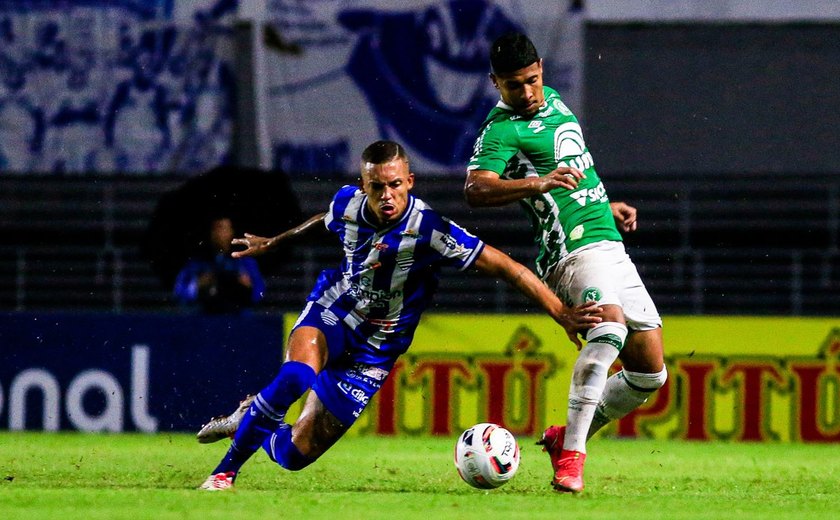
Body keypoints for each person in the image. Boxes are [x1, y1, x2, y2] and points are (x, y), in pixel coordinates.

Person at [196, 140, 603, 491]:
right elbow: (324, 220)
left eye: (395, 185)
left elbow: (505, 266)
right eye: (377, 187)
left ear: (409, 182)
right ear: (363, 186)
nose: (387, 195)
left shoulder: (430, 229)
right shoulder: (347, 205)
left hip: (377, 347)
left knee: (292, 455)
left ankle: (252, 415)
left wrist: (561, 312)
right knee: (297, 376)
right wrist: (275, 241)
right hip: (334, 311)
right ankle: (224, 474)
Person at [463, 33, 667, 493]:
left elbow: (577, 169)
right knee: (608, 328)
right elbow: (475, 190)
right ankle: (572, 460)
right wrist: (536, 185)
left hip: (607, 241)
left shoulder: (554, 102)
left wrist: (604, 204)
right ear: (495, 83)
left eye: (532, 80)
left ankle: (564, 439)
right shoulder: (501, 129)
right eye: (514, 86)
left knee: (650, 373)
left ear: (541, 69)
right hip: (569, 252)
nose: (528, 93)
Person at [173, 215, 265, 314]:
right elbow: (179, 291)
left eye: (224, 229)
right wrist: (197, 285)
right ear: (211, 233)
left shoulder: (245, 261)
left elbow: (260, 292)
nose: (219, 234)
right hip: (204, 315)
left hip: (238, 315)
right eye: (216, 229)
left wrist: (248, 286)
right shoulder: (197, 262)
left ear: (231, 232)